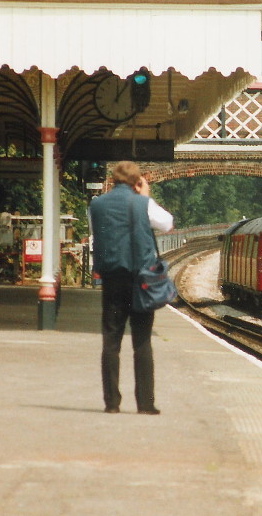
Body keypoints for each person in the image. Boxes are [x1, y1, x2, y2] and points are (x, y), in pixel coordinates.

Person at [89, 161, 174, 415]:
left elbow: (97, 233)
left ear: (113, 180)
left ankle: (112, 403)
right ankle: (146, 404)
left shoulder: (97, 205)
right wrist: (145, 196)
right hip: (141, 281)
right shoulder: (143, 203)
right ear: (137, 182)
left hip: (113, 279)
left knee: (111, 341)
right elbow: (168, 224)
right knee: (142, 341)